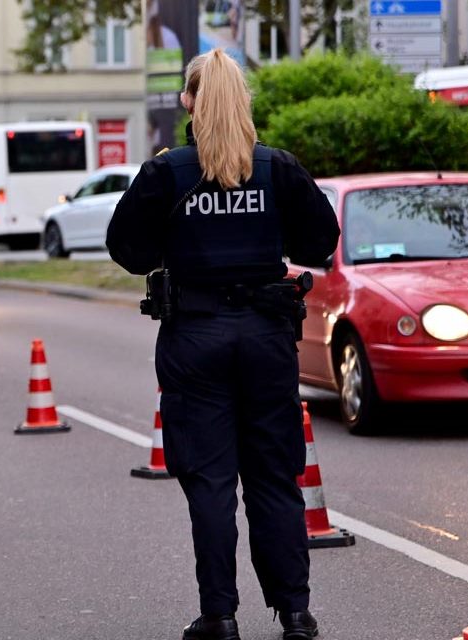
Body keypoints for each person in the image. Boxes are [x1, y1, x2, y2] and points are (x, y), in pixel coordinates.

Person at [106, 49, 339, 640]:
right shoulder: (276, 168)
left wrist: (173, 240)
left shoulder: (167, 172)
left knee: (210, 482)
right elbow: (322, 240)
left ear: (189, 102)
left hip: (195, 337)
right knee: (273, 477)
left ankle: (221, 617)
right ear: (245, 101)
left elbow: (127, 251)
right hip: (265, 338)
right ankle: (295, 614)